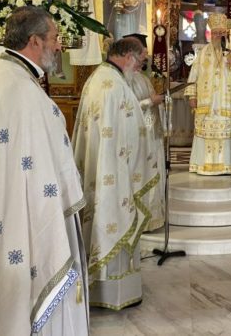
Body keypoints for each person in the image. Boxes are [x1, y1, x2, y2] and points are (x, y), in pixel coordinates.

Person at [0, 6, 89, 334]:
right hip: (22, 210)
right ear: (34, 41)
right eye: (55, 38)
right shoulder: (21, 88)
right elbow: (45, 160)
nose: (59, 46)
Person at [72, 37, 159, 310]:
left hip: (103, 168)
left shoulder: (99, 78)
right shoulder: (114, 85)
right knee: (114, 219)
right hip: (114, 173)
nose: (141, 65)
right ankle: (114, 294)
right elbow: (129, 132)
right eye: (141, 60)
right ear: (128, 56)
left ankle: (104, 288)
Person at [184, 13, 231, 175]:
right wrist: (192, 96)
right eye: (215, 33)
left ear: (225, 33)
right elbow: (193, 76)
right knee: (204, 134)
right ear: (211, 33)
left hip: (224, 106)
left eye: (221, 33)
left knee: (224, 135)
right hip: (206, 105)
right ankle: (201, 166)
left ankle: (227, 167)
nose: (217, 36)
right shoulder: (203, 53)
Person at [123, 33, 166, 231]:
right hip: (138, 138)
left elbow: (150, 99)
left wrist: (159, 100)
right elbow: (126, 109)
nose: (145, 60)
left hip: (152, 134)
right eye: (142, 56)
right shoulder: (124, 79)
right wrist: (151, 101)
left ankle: (154, 216)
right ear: (131, 55)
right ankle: (141, 220)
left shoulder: (142, 77)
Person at [31, 0, 67, 79]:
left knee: (54, 40)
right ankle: (38, 68)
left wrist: (60, 7)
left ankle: (57, 69)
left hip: (52, 13)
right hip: (37, 15)